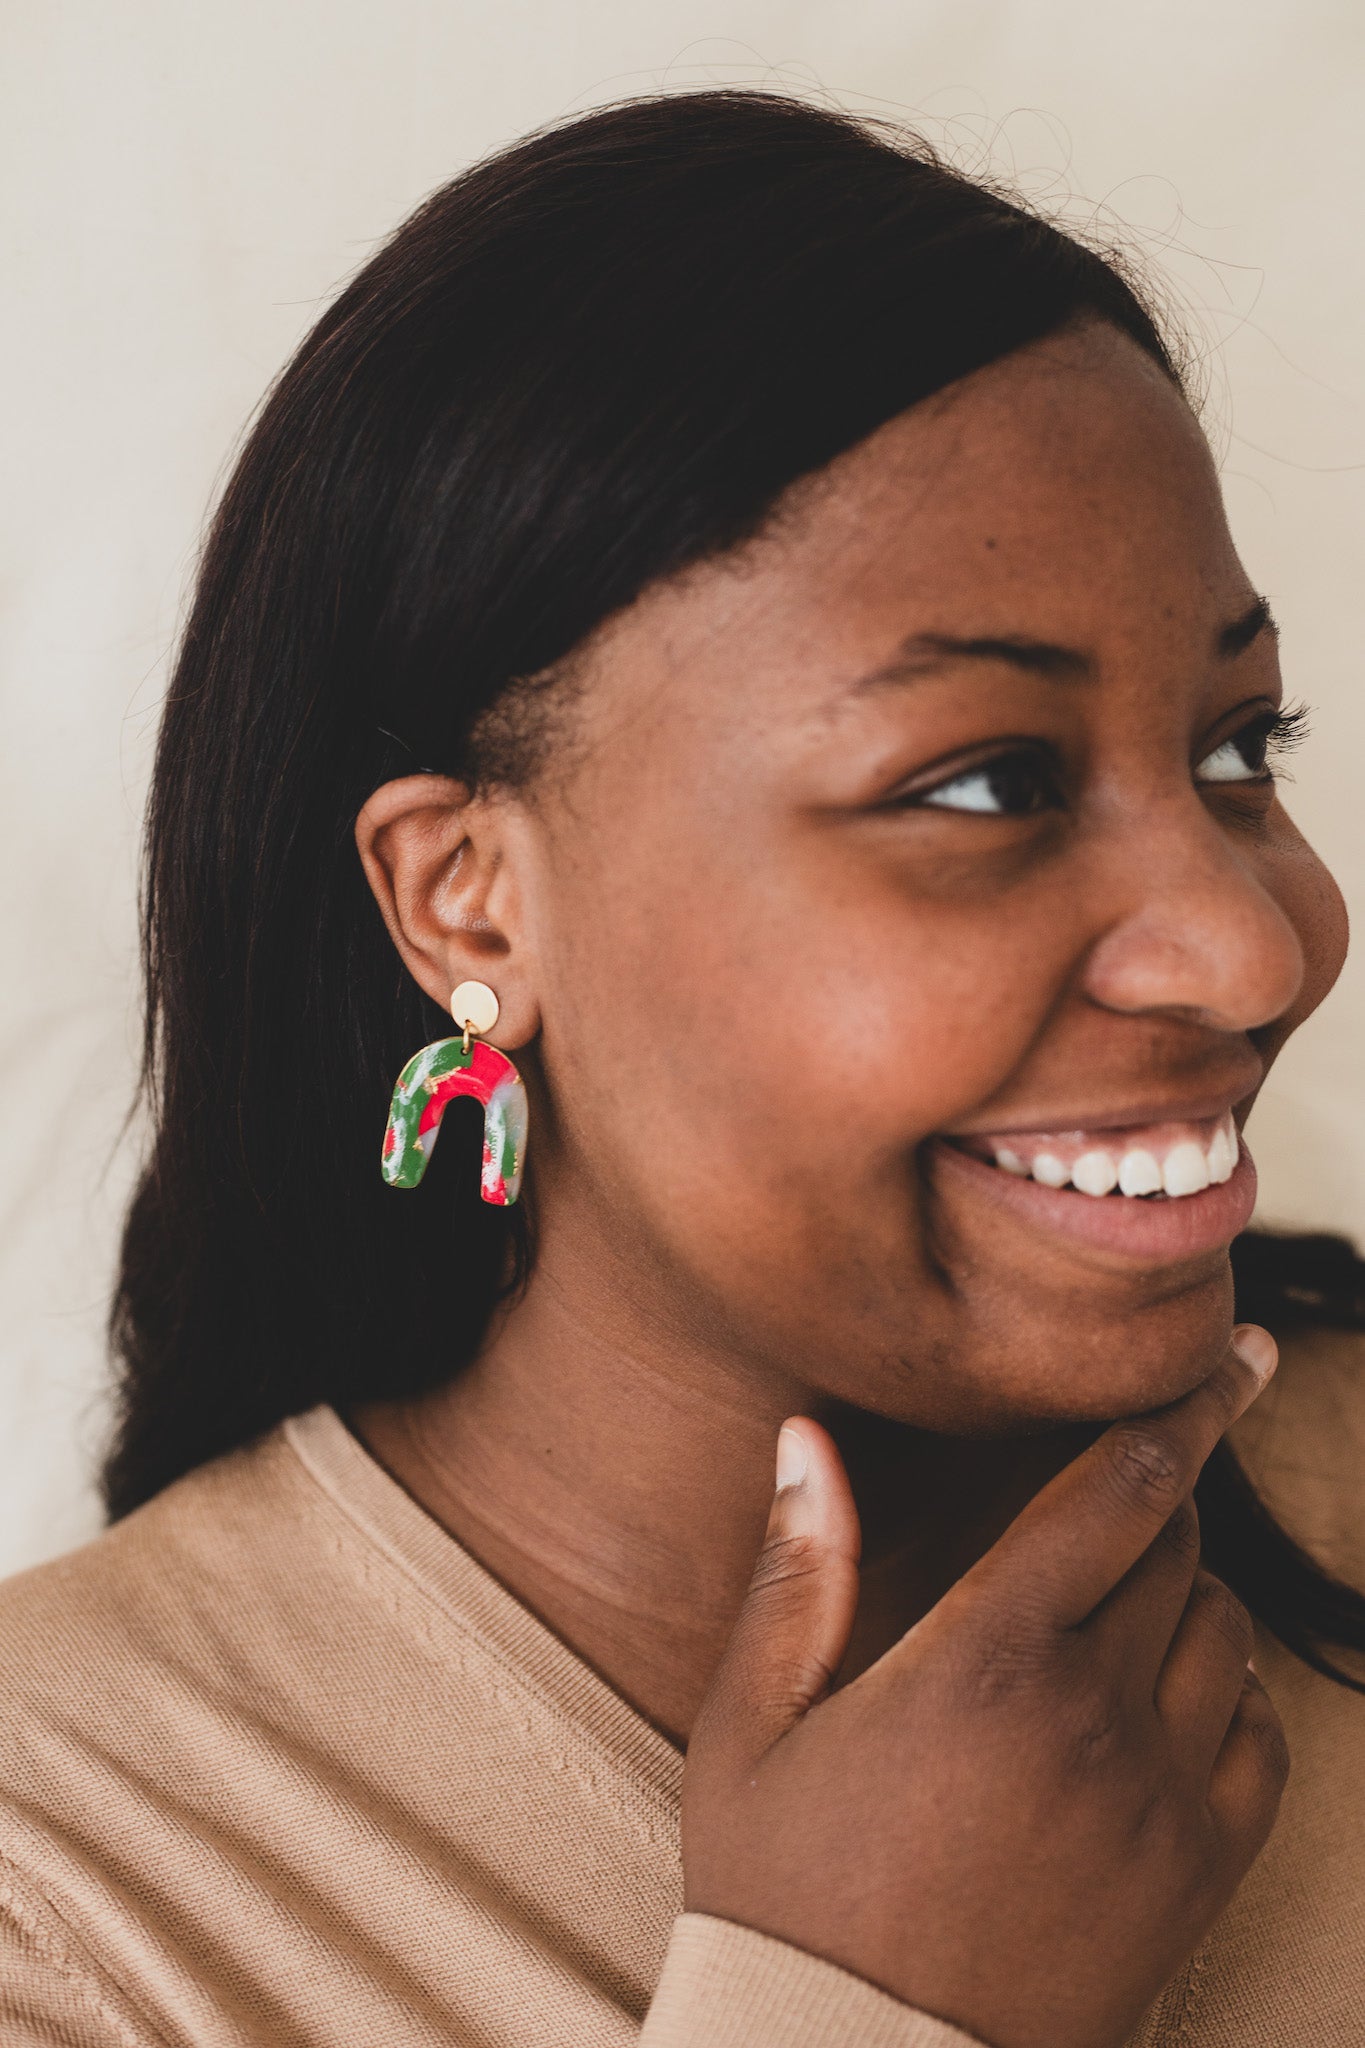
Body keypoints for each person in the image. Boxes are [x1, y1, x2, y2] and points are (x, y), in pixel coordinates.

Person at [1, 89, 1362, 2048]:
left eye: (1238, 745)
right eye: (985, 780)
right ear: (468, 903)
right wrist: (864, 2006)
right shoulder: (65, 1902)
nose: (1248, 945)